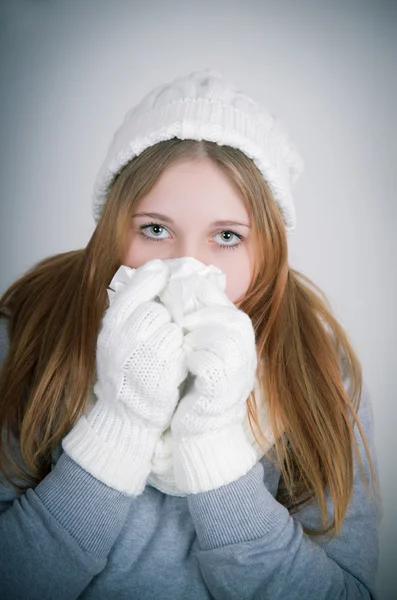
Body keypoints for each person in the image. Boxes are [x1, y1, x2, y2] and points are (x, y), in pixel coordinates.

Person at [0, 69, 381, 599]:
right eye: (155, 229)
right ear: (114, 227)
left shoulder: (318, 359)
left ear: (266, 249)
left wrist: (212, 446)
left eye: (227, 236)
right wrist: (120, 426)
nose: (187, 267)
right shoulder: (30, 324)